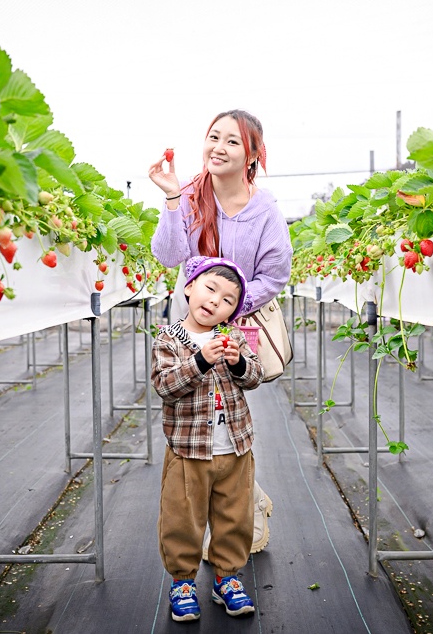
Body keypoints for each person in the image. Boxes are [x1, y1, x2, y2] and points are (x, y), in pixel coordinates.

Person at [148, 109, 293, 557]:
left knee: (232, 418)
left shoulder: (264, 208)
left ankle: (244, 507)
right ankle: (216, 519)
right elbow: (169, 255)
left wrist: (232, 308)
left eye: (232, 141)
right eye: (213, 137)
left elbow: (276, 273)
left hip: (239, 325)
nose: (219, 148)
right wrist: (173, 199)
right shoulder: (191, 195)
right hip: (190, 323)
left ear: (252, 155)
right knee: (192, 418)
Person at [151, 256, 264, 621]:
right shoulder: (170, 339)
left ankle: (226, 578)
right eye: (210, 288)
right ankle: (183, 581)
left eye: (229, 299)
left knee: (236, 516)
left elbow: (255, 377)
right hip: (188, 451)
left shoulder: (230, 339)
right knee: (182, 517)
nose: (216, 301)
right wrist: (200, 361)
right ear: (188, 287)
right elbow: (164, 386)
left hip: (235, 447)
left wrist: (238, 362)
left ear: (232, 313)